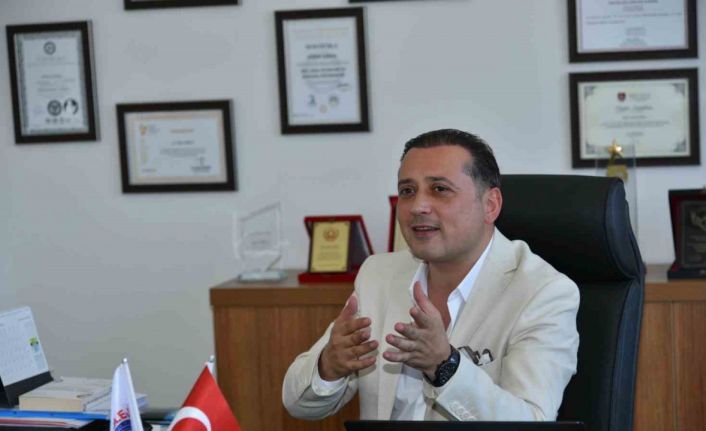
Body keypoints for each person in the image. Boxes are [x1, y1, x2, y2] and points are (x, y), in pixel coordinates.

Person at [282, 129, 579, 421]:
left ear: (490, 205)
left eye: (439, 189)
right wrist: (329, 366)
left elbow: (531, 421)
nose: (418, 207)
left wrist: (445, 366)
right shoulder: (378, 276)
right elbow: (299, 405)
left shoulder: (542, 293)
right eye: (407, 191)